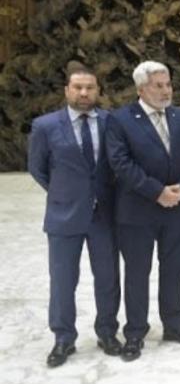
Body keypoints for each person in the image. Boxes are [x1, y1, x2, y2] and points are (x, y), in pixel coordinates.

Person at [105, 60, 180, 361]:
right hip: (138, 212)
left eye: (168, 84)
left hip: (179, 207)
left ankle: (174, 324)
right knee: (137, 273)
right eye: (158, 85)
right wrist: (157, 192)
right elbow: (120, 164)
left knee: (174, 270)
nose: (165, 91)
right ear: (141, 88)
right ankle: (135, 331)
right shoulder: (120, 120)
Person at [28, 61, 121, 367]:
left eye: (90, 87)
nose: (84, 93)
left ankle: (107, 332)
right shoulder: (45, 126)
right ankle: (63, 338)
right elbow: (38, 168)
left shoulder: (111, 122)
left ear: (98, 91)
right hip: (64, 216)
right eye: (78, 87)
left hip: (104, 216)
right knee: (63, 280)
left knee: (107, 278)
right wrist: (64, 194)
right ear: (67, 90)